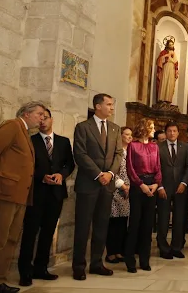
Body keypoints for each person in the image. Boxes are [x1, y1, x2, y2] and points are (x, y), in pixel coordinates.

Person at [18, 108, 74, 287]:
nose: (42, 121)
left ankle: (41, 268)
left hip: (56, 194)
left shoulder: (64, 142)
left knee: (48, 233)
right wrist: (42, 176)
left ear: (52, 120)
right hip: (36, 193)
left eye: (46, 118)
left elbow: (69, 164)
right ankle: (25, 271)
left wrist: (61, 175)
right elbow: (25, 165)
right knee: (30, 233)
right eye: (40, 118)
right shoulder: (30, 140)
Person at [72, 93, 123, 281]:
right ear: (97, 106)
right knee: (83, 227)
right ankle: (78, 266)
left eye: (112, 104)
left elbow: (119, 154)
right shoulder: (83, 127)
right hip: (88, 184)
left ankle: (96, 263)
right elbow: (80, 153)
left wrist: (109, 173)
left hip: (107, 185)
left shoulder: (115, 129)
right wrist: (98, 174)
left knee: (102, 226)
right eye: (108, 104)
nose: (111, 108)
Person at [0, 101, 46, 293]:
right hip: (6, 192)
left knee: (11, 239)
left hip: (20, 195)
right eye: (39, 114)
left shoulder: (25, 132)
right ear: (26, 114)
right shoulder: (12, 125)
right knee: (0, 238)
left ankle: (1, 279)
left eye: (43, 115)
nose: (42, 118)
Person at [124, 118, 161, 273]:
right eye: (151, 127)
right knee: (135, 224)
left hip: (151, 186)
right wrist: (141, 185)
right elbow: (130, 168)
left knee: (148, 225)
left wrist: (156, 184)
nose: (154, 130)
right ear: (144, 128)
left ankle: (145, 260)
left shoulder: (154, 147)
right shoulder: (133, 146)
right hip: (138, 186)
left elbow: (158, 167)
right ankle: (130, 260)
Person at [157, 122, 188, 259]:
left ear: (178, 133)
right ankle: (163, 248)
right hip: (164, 187)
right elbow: (156, 168)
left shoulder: (185, 147)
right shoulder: (158, 147)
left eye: (174, 131)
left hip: (180, 187)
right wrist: (159, 186)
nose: (172, 133)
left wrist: (184, 182)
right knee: (163, 219)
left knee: (179, 218)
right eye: (169, 131)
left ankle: (176, 247)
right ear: (166, 133)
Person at [105, 127, 132, 264]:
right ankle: (110, 252)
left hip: (128, 191)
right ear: (120, 136)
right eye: (126, 134)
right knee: (113, 222)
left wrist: (129, 187)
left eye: (131, 135)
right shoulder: (116, 152)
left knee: (123, 222)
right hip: (116, 189)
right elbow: (111, 169)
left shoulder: (130, 152)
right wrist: (121, 185)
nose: (129, 137)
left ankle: (119, 251)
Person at [155, 36, 179, 103]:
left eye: (172, 44)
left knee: (170, 83)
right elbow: (159, 60)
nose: (171, 46)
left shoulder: (174, 53)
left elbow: (176, 62)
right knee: (164, 82)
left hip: (172, 69)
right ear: (167, 45)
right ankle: (162, 99)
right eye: (170, 44)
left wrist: (176, 70)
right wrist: (167, 55)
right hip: (165, 68)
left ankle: (168, 99)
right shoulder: (163, 52)